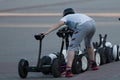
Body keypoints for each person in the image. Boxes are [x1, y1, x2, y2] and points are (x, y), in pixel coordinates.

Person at [41, 8, 99, 77]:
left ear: (64, 14)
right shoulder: (76, 16)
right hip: (92, 23)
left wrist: (47, 32)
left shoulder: (66, 17)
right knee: (88, 43)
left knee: (72, 47)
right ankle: (93, 64)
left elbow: (58, 25)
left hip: (83, 26)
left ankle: (68, 70)